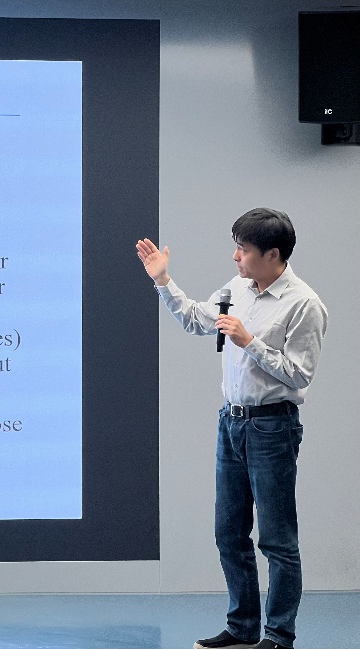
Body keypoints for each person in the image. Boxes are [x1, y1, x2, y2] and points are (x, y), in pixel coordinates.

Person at [136, 208, 327, 649]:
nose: (235, 257)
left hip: (272, 428)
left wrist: (249, 342)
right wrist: (163, 281)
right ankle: (242, 627)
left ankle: (279, 636)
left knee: (277, 540)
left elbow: (299, 374)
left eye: (243, 250)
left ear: (273, 254)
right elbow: (195, 319)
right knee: (229, 533)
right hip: (231, 423)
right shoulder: (237, 288)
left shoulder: (304, 304)